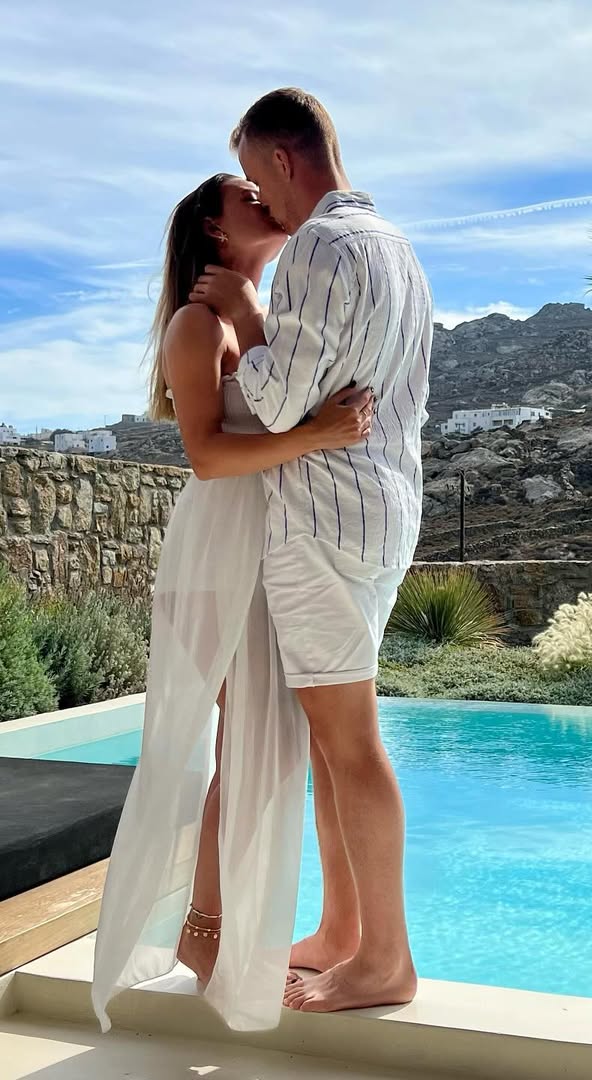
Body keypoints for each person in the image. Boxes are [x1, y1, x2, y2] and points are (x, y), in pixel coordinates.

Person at [91, 173, 374, 1033]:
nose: (264, 199)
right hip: (219, 553)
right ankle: (204, 931)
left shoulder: (260, 315)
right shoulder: (195, 324)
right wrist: (317, 434)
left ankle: (226, 930)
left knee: (268, 748)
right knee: (247, 746)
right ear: (216, 231)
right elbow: (208, 456)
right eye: (245, 195)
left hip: (267, 547)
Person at [190, 88, 432, 1013]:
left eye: (258, 177)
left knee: (350, 744)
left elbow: (277, 402)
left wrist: (250, 318)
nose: (263, 197)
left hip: (324, 520)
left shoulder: (322, 247)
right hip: (383, 510)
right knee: (335, 747)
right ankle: (342, 932)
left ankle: (385, 960)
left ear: (283, 160)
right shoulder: (400, 250)